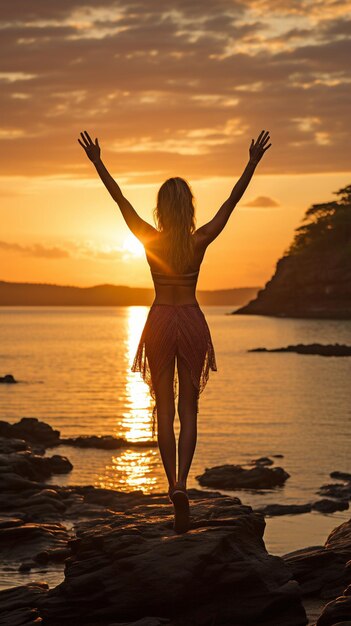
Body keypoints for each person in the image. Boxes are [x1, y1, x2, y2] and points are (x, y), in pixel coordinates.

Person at [78, 128, 271, 533]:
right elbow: (231, 204)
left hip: (161, 319)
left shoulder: (150, 239)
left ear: (163, 210)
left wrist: (98, 162)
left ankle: (172, 487)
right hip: (192, 319)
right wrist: (251, 163)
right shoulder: (199, 240)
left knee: (163, 409)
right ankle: (185, 480)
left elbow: (120, 201)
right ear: (189, 209)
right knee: (190, 409)